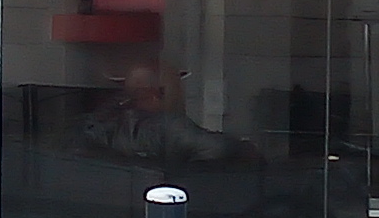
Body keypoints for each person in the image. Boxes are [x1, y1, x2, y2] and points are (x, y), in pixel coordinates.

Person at [76, 59, 254, 167]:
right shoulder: (171, 128)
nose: (182, 95)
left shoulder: (103, 128)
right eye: (177, 88)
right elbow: (221, 149)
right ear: (157, 94)